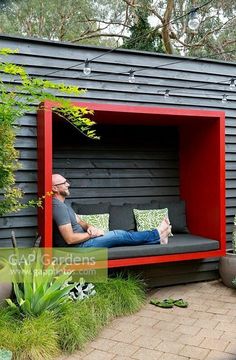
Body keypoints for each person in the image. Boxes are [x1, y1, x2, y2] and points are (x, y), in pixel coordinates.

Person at [52, 174, 171, 248]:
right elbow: (70, 239)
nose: (68, 184)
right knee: (118, 235)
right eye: (64, 183)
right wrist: (91, 234)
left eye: (66, 181)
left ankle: (158, 239)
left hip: (85, 240)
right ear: (54, 188)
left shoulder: (64, 203)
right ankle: (156, 233)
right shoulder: (58, 207)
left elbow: (79, 221)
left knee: (120, 235)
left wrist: (90, 227)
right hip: (81, 246)